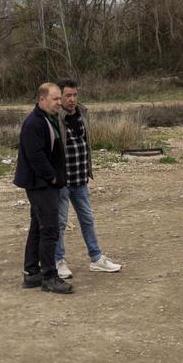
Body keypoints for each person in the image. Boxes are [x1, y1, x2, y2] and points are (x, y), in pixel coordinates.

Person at [54, 79, 122, 278]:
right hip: (62, 180)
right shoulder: (54, 117)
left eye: (75, 95)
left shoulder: (82, 113)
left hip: (80, 177)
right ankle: (58, 261)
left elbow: (85, 143)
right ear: (60, 97)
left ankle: (96, 258)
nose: (72, 99)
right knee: (60, 222)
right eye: (68, 95)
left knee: (87, 219)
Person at [15, 83, 73, 294]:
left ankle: (32, 273)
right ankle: (49, 276)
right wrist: (54, 179)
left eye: (59, 99)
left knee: (37, 227)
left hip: (45, 184)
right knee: (49, 229)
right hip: (41, 185)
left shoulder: (48, 119)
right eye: (56, 99)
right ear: (42, 99)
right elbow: (36, 157)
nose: (59, 103)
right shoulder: (34, 123)